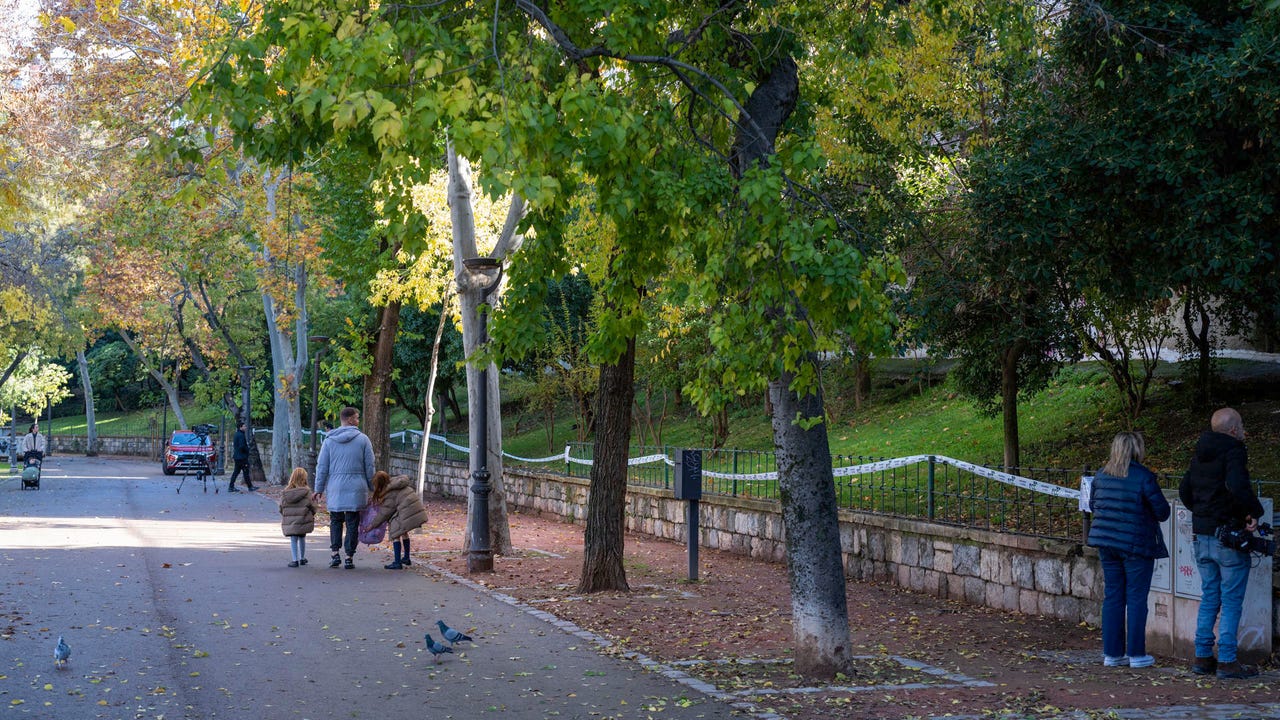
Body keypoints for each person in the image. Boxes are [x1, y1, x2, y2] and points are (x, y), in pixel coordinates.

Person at [1178, 407, 1265, 679]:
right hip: (1227, 536)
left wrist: (1203, 514)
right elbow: (1238, 486)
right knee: (1230, 600)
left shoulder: (1200, 452)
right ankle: (1227, 660)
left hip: (1201, 535)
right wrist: (1253, 513)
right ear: (1232, 429)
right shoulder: (1233, 450)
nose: (1243, 430)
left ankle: (1203, 657)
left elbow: (1184, 490)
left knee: (1209, 597)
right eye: (1240, 424)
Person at [1086, 431, 1170, 668]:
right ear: (1137, 450)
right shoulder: (1144, 477)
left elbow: (1094, 504)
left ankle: (1112, 654)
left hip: (1106, 543)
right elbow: (1162, 512)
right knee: (1136, 598)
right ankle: (1136, 654)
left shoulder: (1101, 475)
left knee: (1113, 596)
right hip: (1136, 545)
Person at [313, 406, 375, 570]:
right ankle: (349, 556)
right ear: (349, 419)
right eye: (356, 417)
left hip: (336, 487)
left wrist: (318, 488)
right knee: (353, 521)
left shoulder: (329, 440)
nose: (358, 420)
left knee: (335, 520)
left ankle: (334, 554)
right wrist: (372, 487)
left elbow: (322, 467)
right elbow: (370, 466)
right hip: (357, 486)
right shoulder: (363, 440)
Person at [365, 472, 428, 570]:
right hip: (412, 509)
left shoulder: (390, 494)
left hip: (406, 511)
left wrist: (372, 525)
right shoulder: (396, 483)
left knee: (395, 533)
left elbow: (384, 514)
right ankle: (406, 558)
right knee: (404, 532)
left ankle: (397, 562)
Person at [279, 467, 316, 568]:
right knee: (302, 537)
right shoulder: (307, 491)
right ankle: (302, 558)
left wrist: (284, 514)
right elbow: (311, 505)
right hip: (303, 518)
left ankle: (294, 560)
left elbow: (281, 506)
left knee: (293, 538)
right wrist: (313, 513)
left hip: (290, 519)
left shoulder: (285, 492)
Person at [228, 421, 254, 493]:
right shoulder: (241, 435)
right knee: (245, 472)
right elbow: (242, 446)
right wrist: (247, 450)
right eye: (244, 426)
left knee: (236, 472)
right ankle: (250, 487)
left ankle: (231, 486)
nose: (245, 427)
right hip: (241, 457)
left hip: (237, 456)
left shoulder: (237, 434)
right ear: (240, 427)